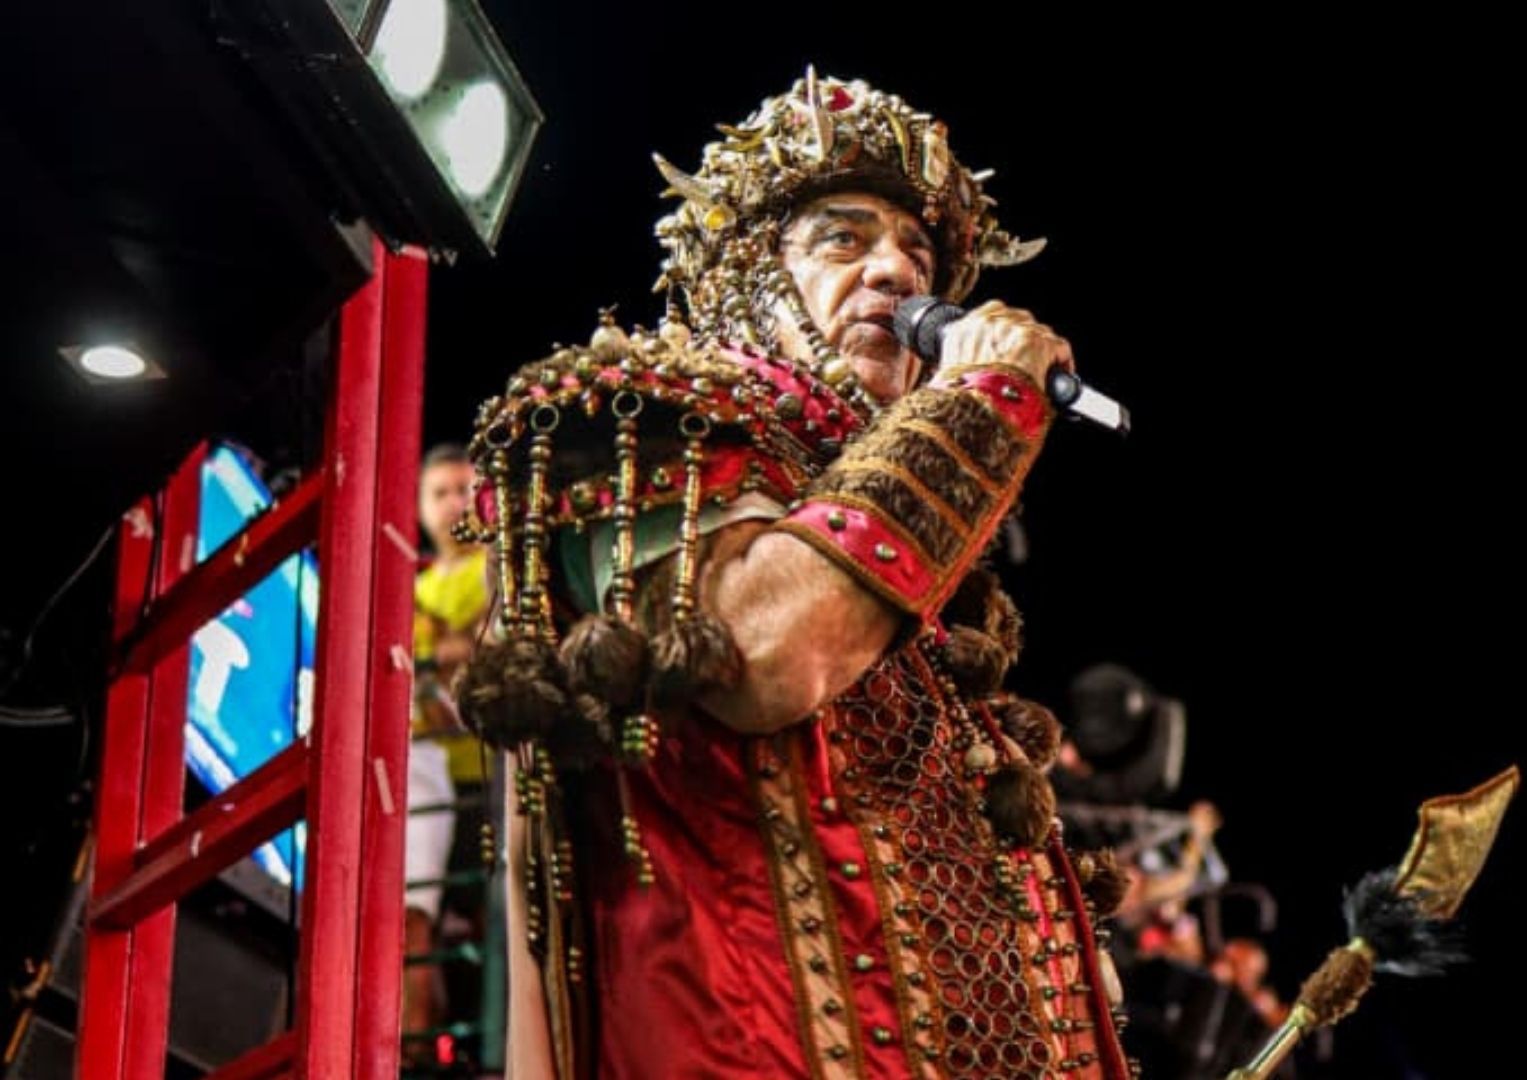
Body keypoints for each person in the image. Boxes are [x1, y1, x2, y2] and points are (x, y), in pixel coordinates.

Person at [455, 71, 1132, 1077]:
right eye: (843, 239)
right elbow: (765, 656)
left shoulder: (910, 559)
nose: (899, 274)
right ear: (750, 280)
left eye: (918, 253)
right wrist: (983, 399)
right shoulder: (641, 421)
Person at [404, 443, 491, 1049]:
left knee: (494, 928)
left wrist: (435, 656)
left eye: (464, 489)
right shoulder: (408, 586)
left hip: (491, 775)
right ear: (418, 506)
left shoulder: (502, 566)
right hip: (422, 779)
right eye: (440, 492)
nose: (454, 504)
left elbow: (482, 649)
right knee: (417, 925)